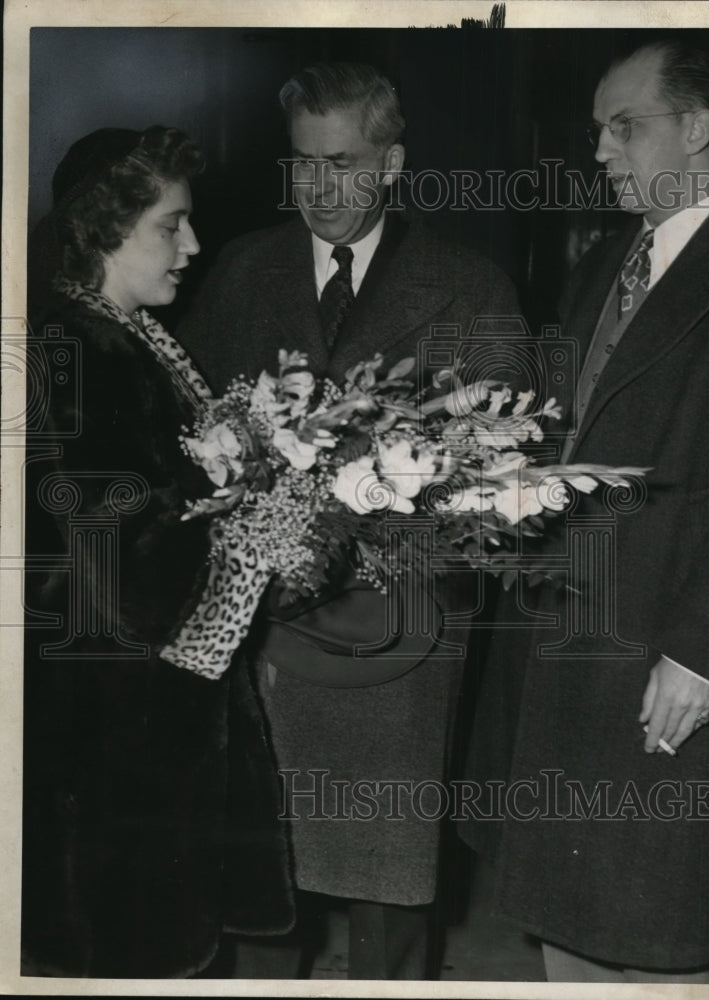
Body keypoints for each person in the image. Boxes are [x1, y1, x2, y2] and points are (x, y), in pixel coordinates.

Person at [177, 62, 519, 979]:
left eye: (343, 163)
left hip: (400, 628)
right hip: (267, 625)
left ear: (393, 162)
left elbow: (502, 474)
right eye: (302, 165)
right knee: (260, 861)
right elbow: (194, 433)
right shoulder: (242, 271)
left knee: (385, 877)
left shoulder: (471, 284)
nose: (319, 190)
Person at [464, 38, 709, 983]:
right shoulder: (606, 264)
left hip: (668, 650)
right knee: (570, 931)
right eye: (597, 132)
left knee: (663, 932)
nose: (600, 152)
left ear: (698, 129)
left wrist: (705, 649)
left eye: (623, 128)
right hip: (567, 655)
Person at [22, 126, 294, 978]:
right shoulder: (81, 350)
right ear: (103, 229)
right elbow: (125, 568)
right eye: (169, 226)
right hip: (119, 735)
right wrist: (265, 523)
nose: (194, 245)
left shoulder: (130, 338)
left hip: (148, 723)